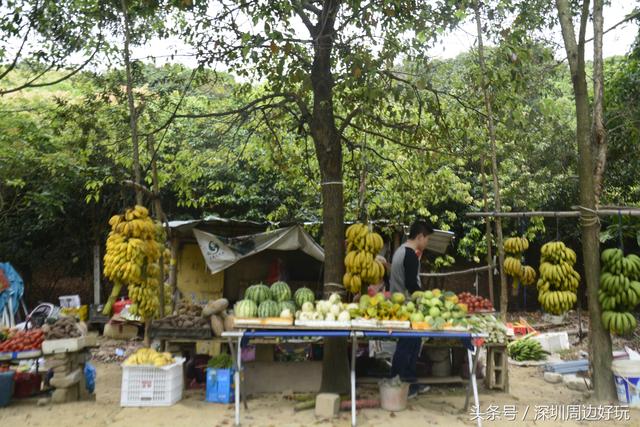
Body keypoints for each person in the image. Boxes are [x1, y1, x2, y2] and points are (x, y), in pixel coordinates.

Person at [389, 219, 434, 398]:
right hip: (406, 308)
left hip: (401, 306)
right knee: (406, 345)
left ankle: (410, 381)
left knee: (413, 344)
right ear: (420, 236)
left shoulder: (400, 251)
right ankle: (397, 381)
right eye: (427, 239)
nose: (427, 243)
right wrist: (427, 300)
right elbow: (411, 284)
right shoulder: (410, 255)